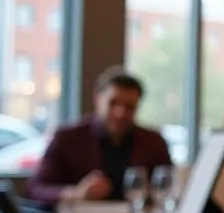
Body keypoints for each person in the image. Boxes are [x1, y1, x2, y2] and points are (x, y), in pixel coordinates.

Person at [28, 67, 172, 203]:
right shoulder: (68, 138)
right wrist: (76, 193)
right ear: (98, 98)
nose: (120, 113)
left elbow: (169, 186)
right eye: (113, 103)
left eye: (130, 107)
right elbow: (36, 188)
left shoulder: (153, 141)